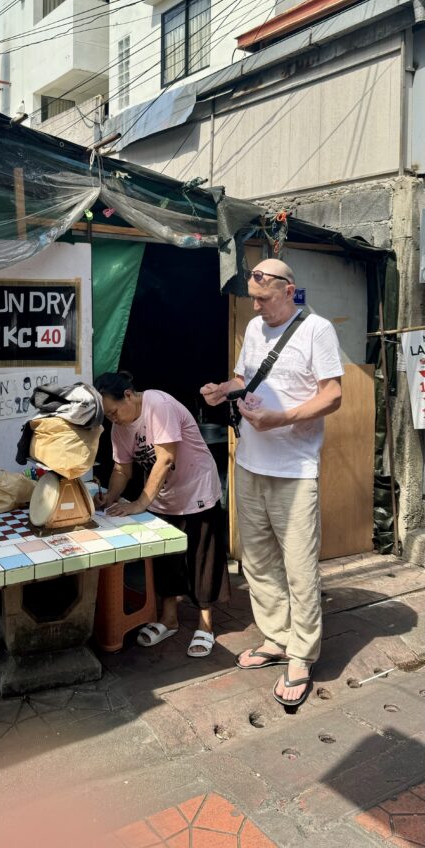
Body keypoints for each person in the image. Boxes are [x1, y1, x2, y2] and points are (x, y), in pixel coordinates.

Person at [201, 259, 343, 707]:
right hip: (249, 462)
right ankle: (276, 637)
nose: (257, 305)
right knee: (257, 560)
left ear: (288, 289)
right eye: (253, 299)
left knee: (298, 565)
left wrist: (280, 418)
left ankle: (302, 653)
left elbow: (333, 394)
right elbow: (246, 378)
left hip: (295, 469)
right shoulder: (255, 328)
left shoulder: (317, 330)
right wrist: (225, 389)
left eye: (263, 298)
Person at [93, 371, 230, 658]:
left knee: (200, 561)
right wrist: (109, 499)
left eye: (114, 411)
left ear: (128, 394)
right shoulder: (120, 427)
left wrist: (140, 502)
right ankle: (169, 620)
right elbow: (121, 469)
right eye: (108, 415)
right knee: (167, 562)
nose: (113, 418)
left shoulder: (158, 404)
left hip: (197, 492)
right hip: (163, 498)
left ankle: (205, 625)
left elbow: (166, 458)